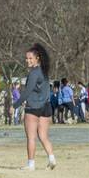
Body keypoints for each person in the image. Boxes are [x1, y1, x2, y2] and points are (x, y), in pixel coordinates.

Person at [21, 43, 57, 171]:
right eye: (26, 58)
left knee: (31, 137)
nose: (28, 61)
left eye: (30, 58)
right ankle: (52, 158)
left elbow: (27, 92)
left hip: (33, 107)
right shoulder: (44, 71)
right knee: (43, 136)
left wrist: (15, 105)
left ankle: (31, 164)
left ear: (37, 58)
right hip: (46, 107)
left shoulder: (34, 73)